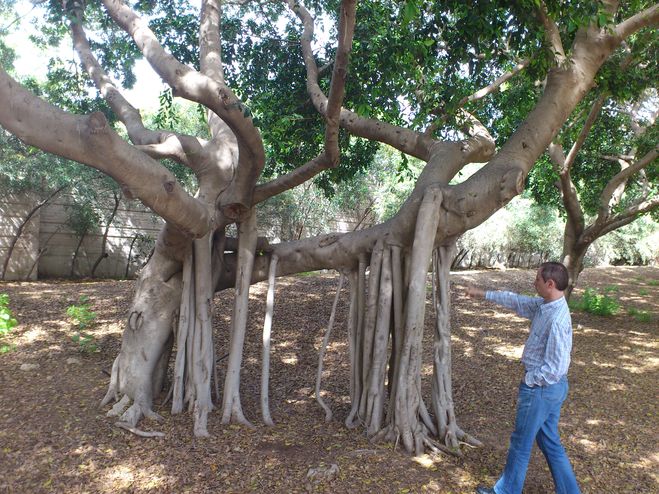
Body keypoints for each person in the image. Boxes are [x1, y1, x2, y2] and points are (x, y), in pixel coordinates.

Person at [466, 262, 580, 494]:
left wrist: (530, 381)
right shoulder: (545, 305)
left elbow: (556, 367)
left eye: (537, 279)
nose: (533, 282)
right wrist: (483, 294)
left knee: (520, 444)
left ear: (550, 284)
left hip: (542, 389)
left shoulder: (557, 319)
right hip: (552, 389)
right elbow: (517, 301)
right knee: (550, 443)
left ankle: (505, 492)